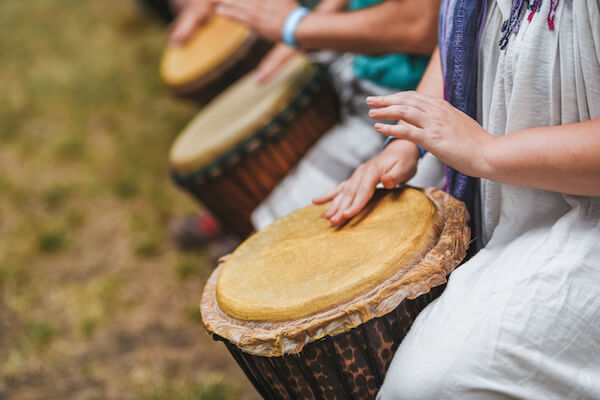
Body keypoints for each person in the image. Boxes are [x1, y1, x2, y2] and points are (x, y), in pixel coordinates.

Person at [315, 0, 600, 397]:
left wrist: (484, 152)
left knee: (427, 385)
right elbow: (461, 27)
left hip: (583, 218)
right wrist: (404, 143)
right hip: (499, 188)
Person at [169, 0, 440, 249]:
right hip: (358, 66)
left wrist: (297, 25)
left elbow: (425, 24)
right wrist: (319, 20)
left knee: (277, 240)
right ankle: (235, 226)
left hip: (405, 95)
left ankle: (251, 235)